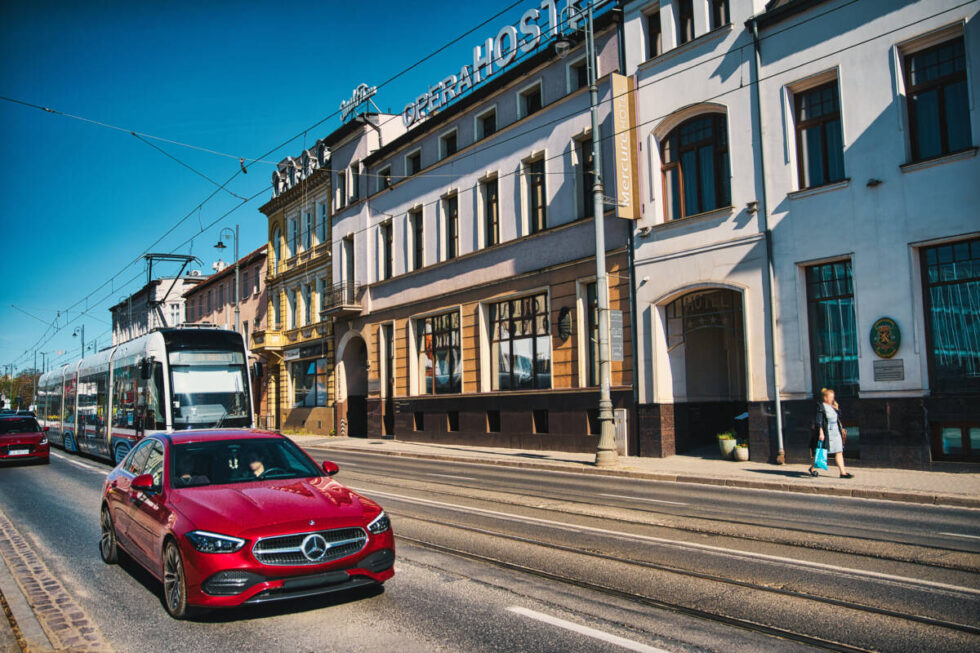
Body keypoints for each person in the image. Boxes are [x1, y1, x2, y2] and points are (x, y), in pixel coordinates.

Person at [808, 387, 853, 478]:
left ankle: (842, 473)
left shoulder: (832, 406)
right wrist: (821, 433)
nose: (833, 399)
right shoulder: (821, 407)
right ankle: (812, 468)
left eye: (833, 397)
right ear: (825, 398)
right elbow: (818, 421)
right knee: (819, 452)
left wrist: (837, 409)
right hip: (826, 433)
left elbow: (838, 417)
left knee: (839, 451)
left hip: (836, 433)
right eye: (831, 397)